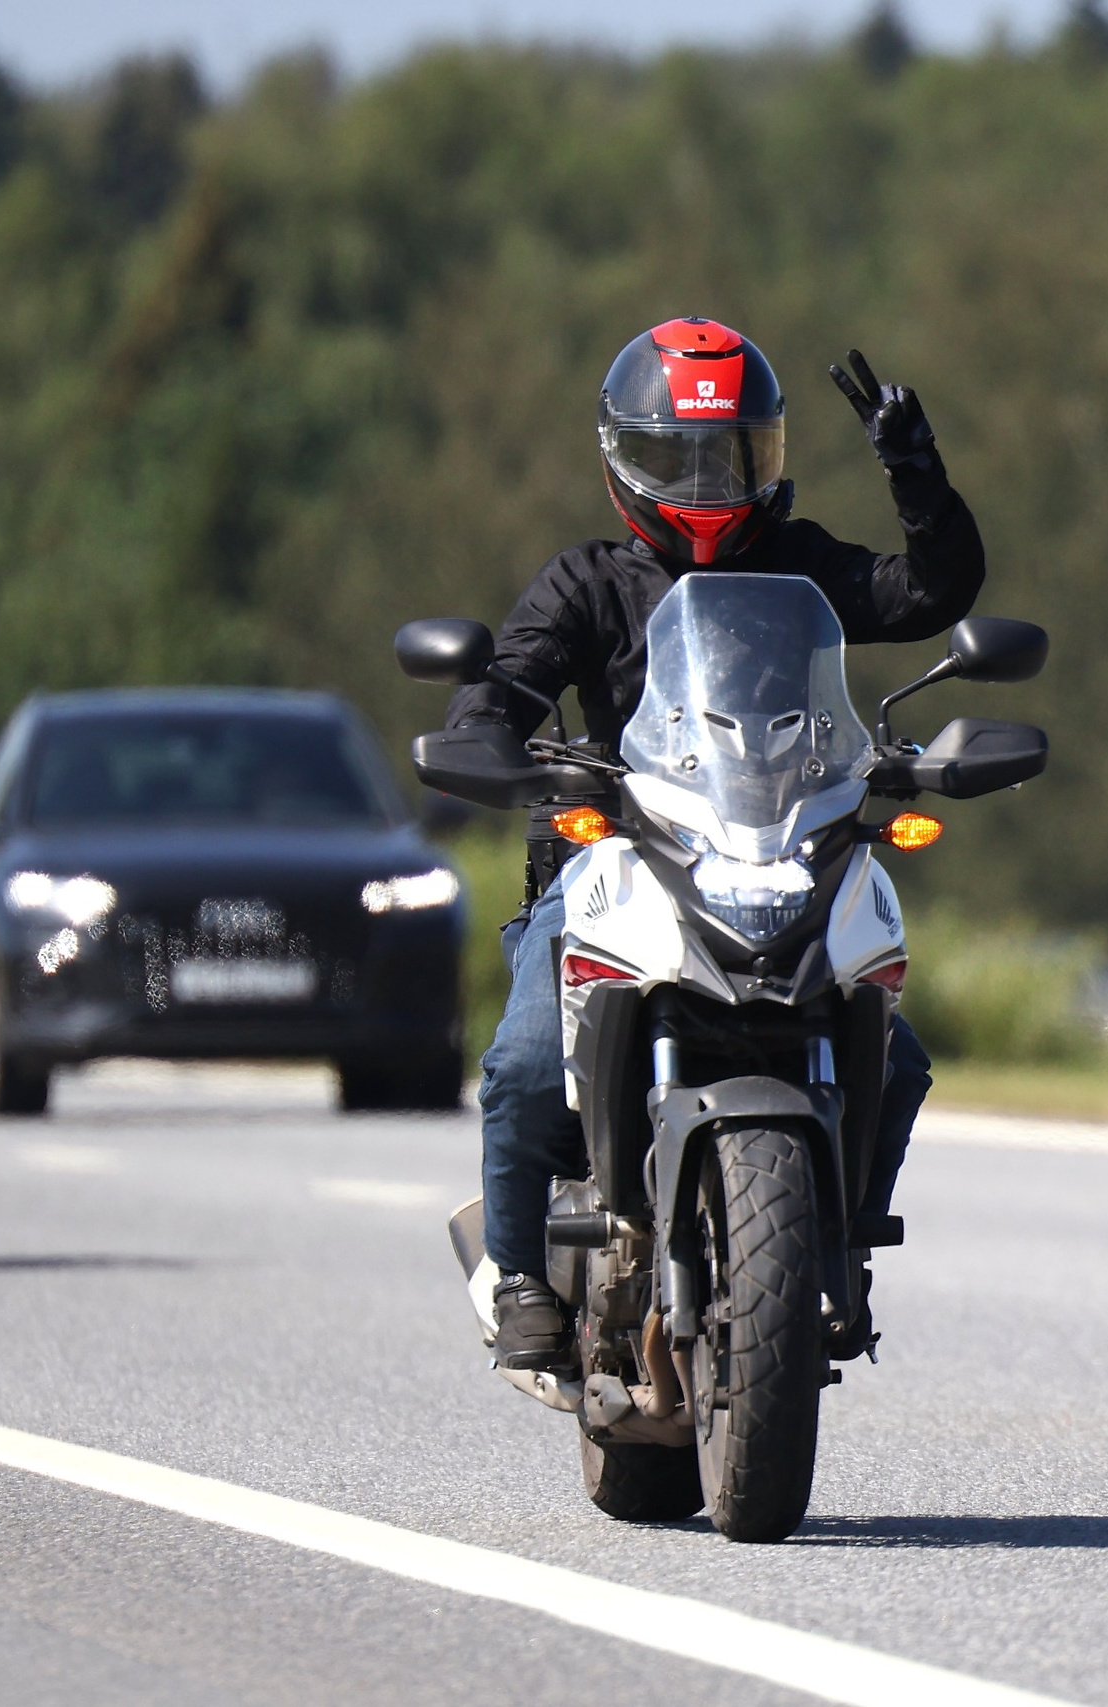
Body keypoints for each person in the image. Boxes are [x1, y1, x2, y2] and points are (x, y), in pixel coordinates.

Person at [452, 318, 985, 1370]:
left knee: (899, 1057)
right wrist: (491, 744)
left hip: (782, 845)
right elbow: (498, 693)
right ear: (621, 457)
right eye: (674, 457)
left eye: (726, 456)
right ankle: (517, 1270)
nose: (701, 485)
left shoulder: (800, 567)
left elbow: (932, 594)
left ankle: (840, 1243)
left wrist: (915, 471)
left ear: (768, 454)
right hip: (620, 856)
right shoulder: (585, 583)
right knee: (520, 1062)